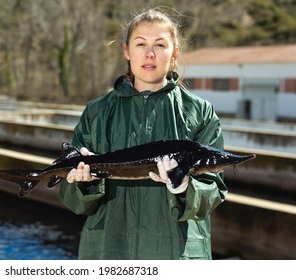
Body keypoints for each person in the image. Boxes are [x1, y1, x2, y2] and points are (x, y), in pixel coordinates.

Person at [59, 8, 227, 260]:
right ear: (127, 51)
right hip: (108, 253)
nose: (150, 53)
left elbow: (213, 192)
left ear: (174, 54)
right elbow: (73, 201)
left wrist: (184, 188)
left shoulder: (200, 113)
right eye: (141, 44)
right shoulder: (97, 112)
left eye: (160, 44)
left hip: (177, 255)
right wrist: (85, 184)